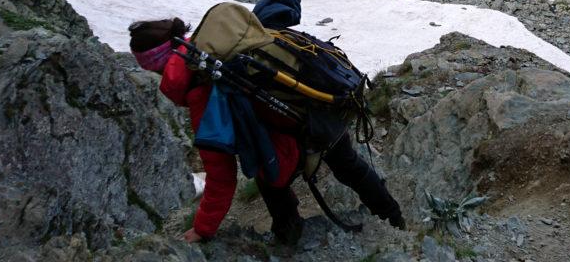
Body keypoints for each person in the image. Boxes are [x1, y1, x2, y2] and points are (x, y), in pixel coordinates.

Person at [128, 16, 404, 245]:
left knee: (269, 176)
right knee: (348, 164)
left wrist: (202, 229)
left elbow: (221, 175)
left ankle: (287, 238)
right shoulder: (216, 46)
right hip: (318, 107)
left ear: (157, 67)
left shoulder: (201, 88)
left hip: (296, 129)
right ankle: (394, 218)